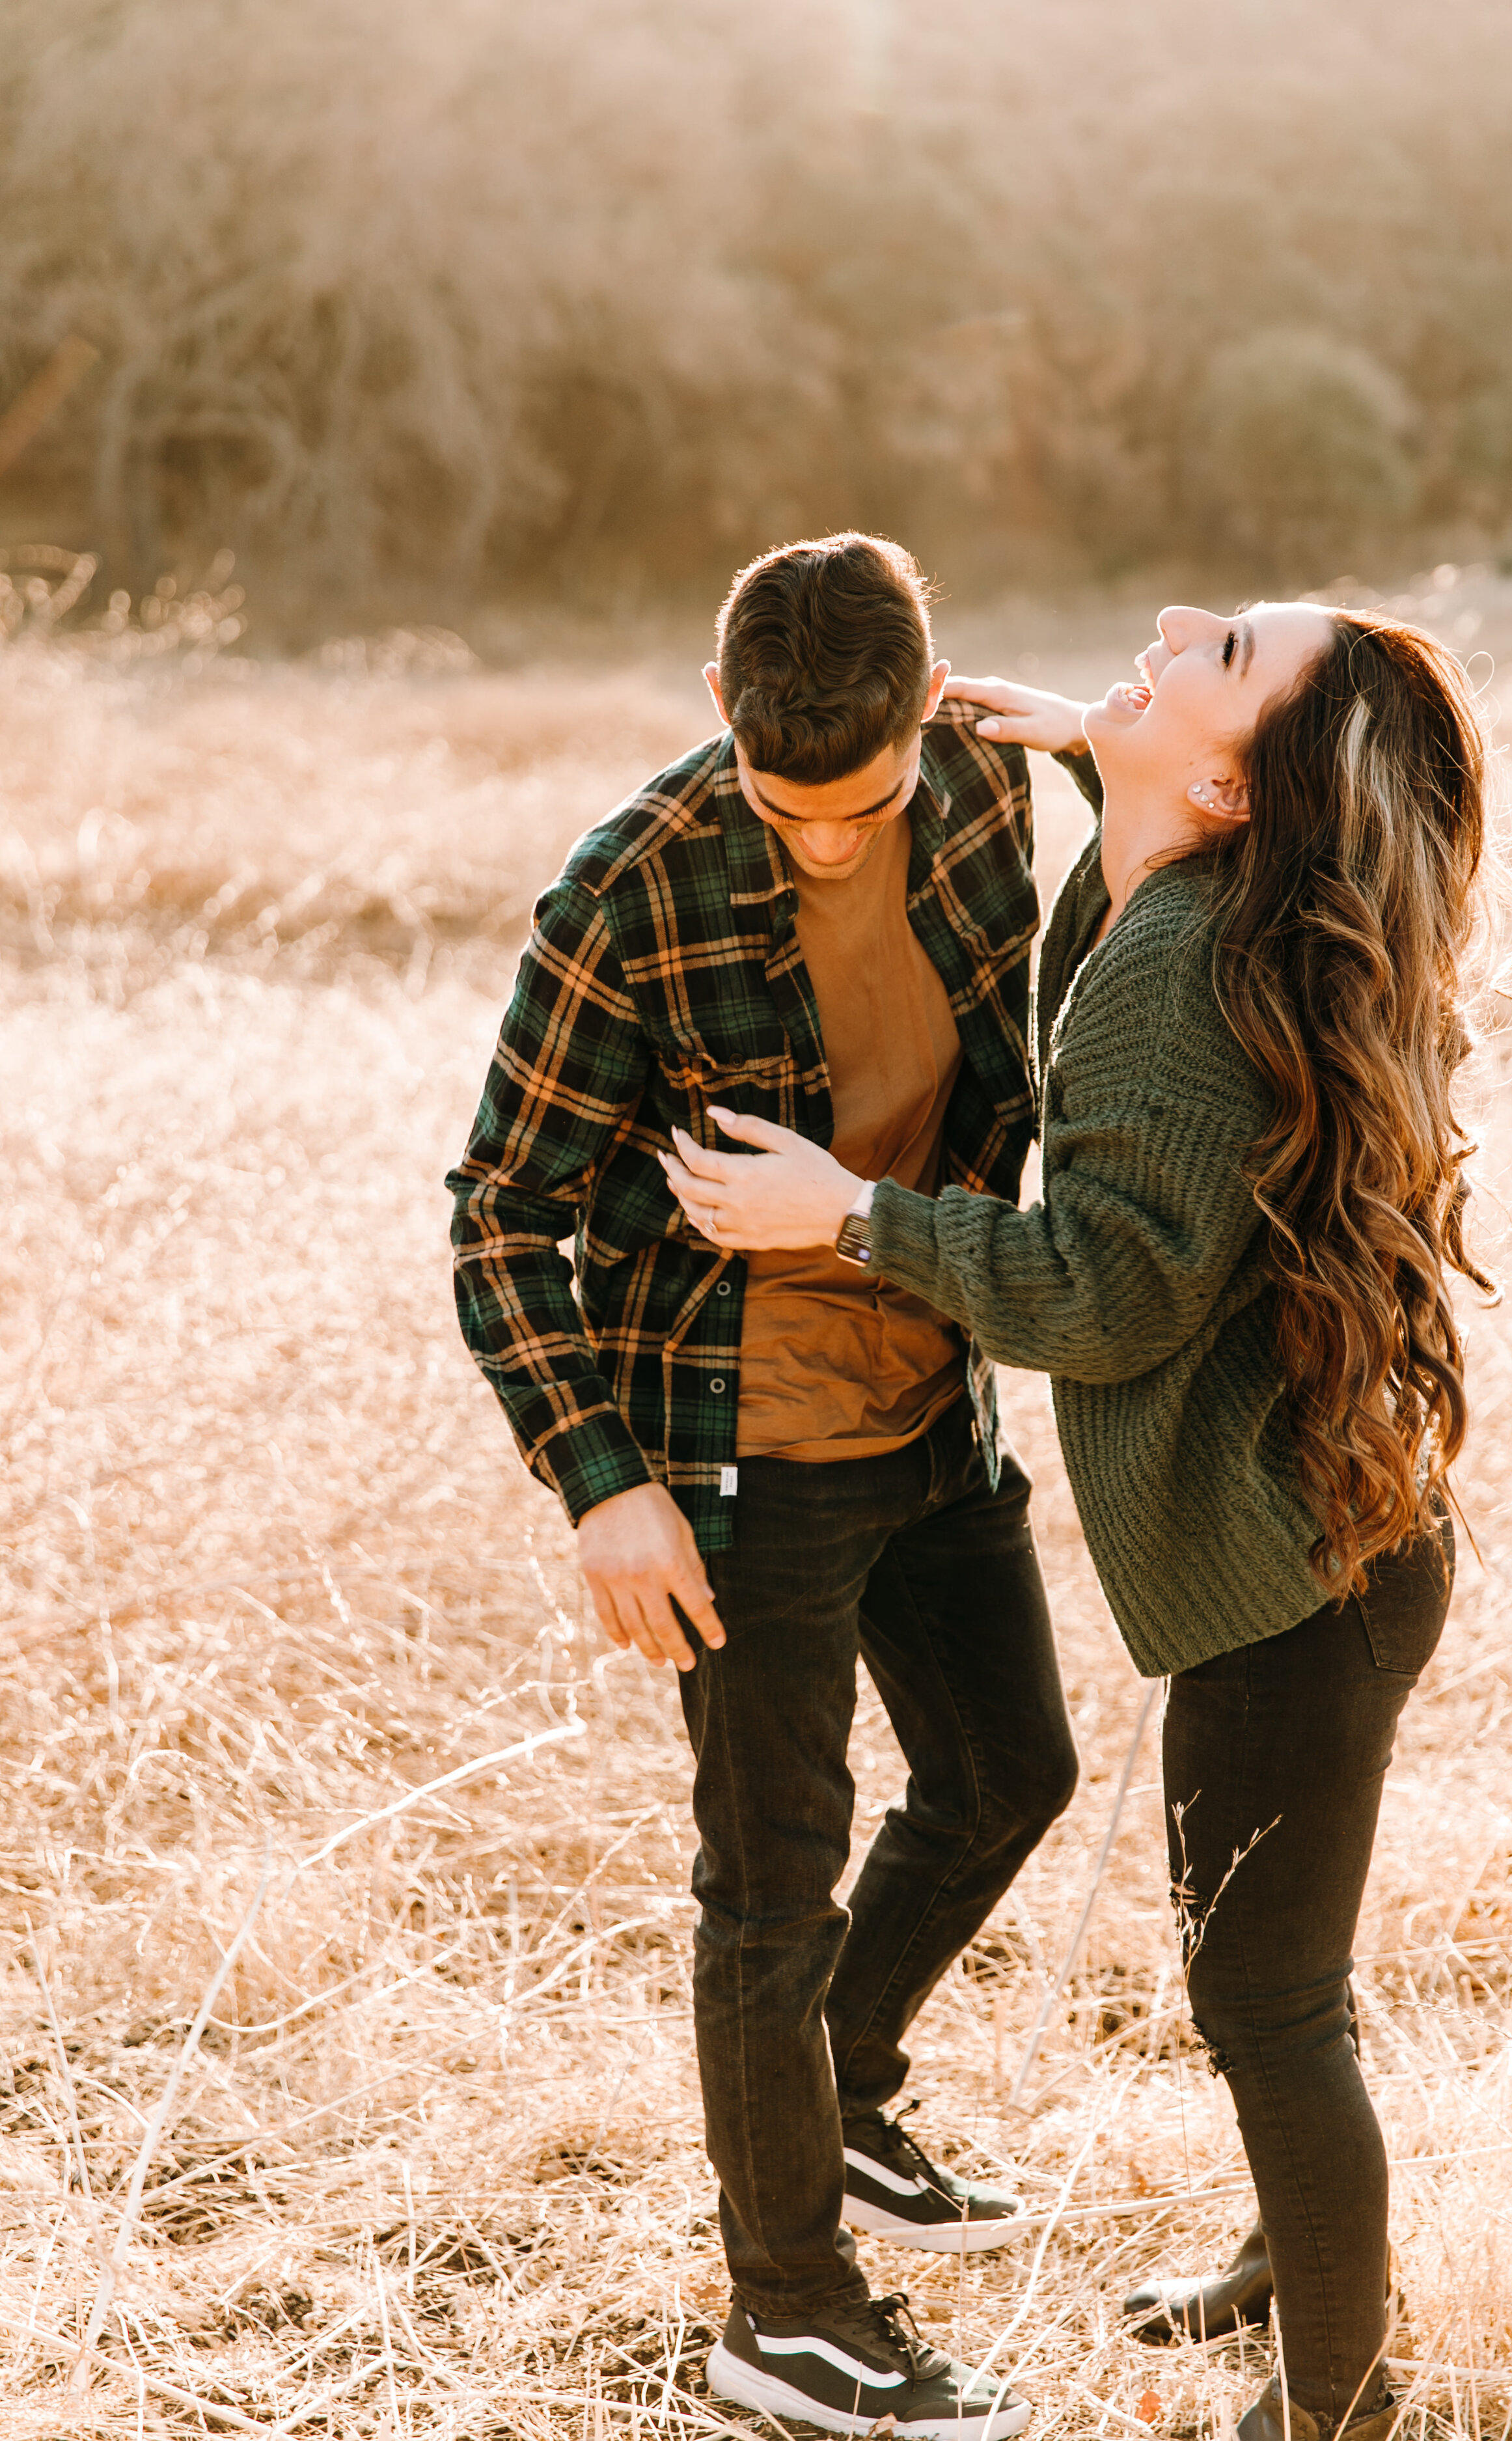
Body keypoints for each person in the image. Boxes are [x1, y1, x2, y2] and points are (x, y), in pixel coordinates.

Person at [662, 600, 1509, 2441]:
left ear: (1230, 779)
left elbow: (1106, 1290)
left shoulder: (1182, 953)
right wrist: (1104, 749)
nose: (1164, 621)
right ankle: (1290, 2274)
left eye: (1215, 652)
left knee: (1264, 1999)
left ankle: (1334, 2402)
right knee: (1271, 1973)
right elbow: (1146, 935)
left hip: (1292, 1594)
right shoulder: (1186, 902)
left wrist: (849, 1216)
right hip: (1321, 1558)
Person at [447, 533, 1083, 2441]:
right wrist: (597, 1487)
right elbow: (499, 1221)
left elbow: (1203, 800)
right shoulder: (626, 890)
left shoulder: (979, 780)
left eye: (862, 801)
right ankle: (787, 2313)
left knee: (1008, 1772)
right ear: (722, 712)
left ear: (925, 712)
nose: (825, 841)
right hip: (735, 1458)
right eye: (786, 808)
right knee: (769, 1892)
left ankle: (846, 2097)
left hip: (929, 1384)